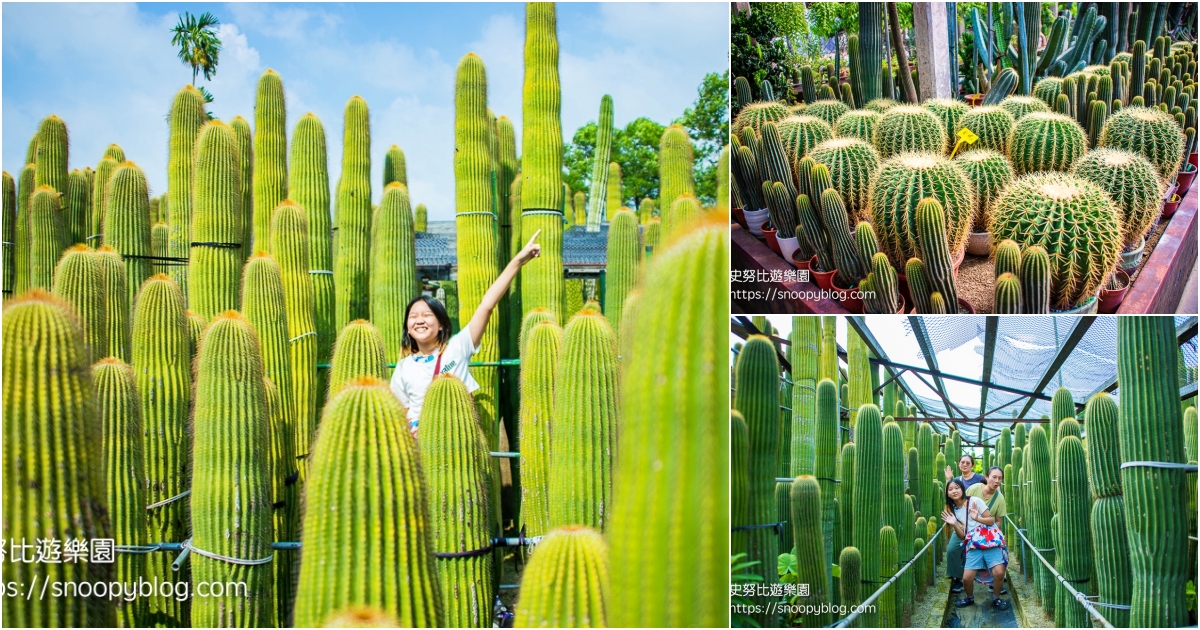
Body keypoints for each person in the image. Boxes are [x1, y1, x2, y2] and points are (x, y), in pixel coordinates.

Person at [389, 230, 542, 436]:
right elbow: (400, 411)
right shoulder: (403, 367)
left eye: (427, 314)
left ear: (441, 324)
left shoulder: (457, 347)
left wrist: (518, 261)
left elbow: (486, 305)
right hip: (421, 447)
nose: (419, 320)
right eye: (413, 316)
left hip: (458, 441)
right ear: (407, 326)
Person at [941, 478, 1009, 610]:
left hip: (989, 541)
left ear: (962, 489)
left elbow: (991, 520)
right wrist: (954, 523)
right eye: (950, 489)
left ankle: (996, 599)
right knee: (967, 578)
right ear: (947, 493)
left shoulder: (975, 501)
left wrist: (976, 518)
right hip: (973, 543)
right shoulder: (953, 510)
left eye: (956, 488)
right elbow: (963, 536)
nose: (954, 491)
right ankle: (969, 598)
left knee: (999, 573)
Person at [968, 467, 1007, 592]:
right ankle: (957, 579)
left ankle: (994, 583)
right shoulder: (974, 489)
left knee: (998, 551)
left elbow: (998, 521)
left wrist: (996, 537)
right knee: (953, 549)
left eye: (1000, 478)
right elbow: (963, 505)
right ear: (986, 477)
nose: (997, 481)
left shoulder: (1000, 498)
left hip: (988, 532)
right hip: (969, 529)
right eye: (994, 477)